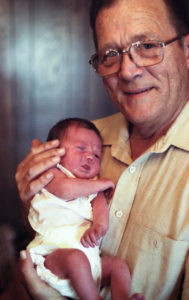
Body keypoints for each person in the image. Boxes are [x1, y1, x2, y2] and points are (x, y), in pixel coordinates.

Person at [11, 0, 189, 299]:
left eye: (146, 46)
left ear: (186, 50)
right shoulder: (80, 141)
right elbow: (52, 234)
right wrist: (31, 202)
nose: (128, 71)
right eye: (110, 55)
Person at [25, 117, 144, 300]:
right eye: (81, 148)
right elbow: (65, 190)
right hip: (54, 257)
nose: (90, 156)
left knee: (118, 267)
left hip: (90, 265)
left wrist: (99, 228)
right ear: (55, 153)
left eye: (96, 155)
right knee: (75, 258)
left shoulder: (93, 187)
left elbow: (101, 212)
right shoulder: (54, 174)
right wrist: (102, 184)